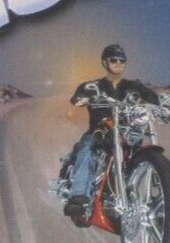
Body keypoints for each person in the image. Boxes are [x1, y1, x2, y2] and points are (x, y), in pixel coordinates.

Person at [63, 44, 160, 222]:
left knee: (141, 153)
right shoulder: (94, 86)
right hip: (100, 131)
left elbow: (153, 98)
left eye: (122, 60)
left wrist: (158, 104)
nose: (118, 63)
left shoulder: (132, 86)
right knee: (87, 149)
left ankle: (155, 201)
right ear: (104, 62)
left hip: (127, 132)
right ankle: (78, 198)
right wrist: (81, 98)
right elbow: (77, 97)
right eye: (114, 59)